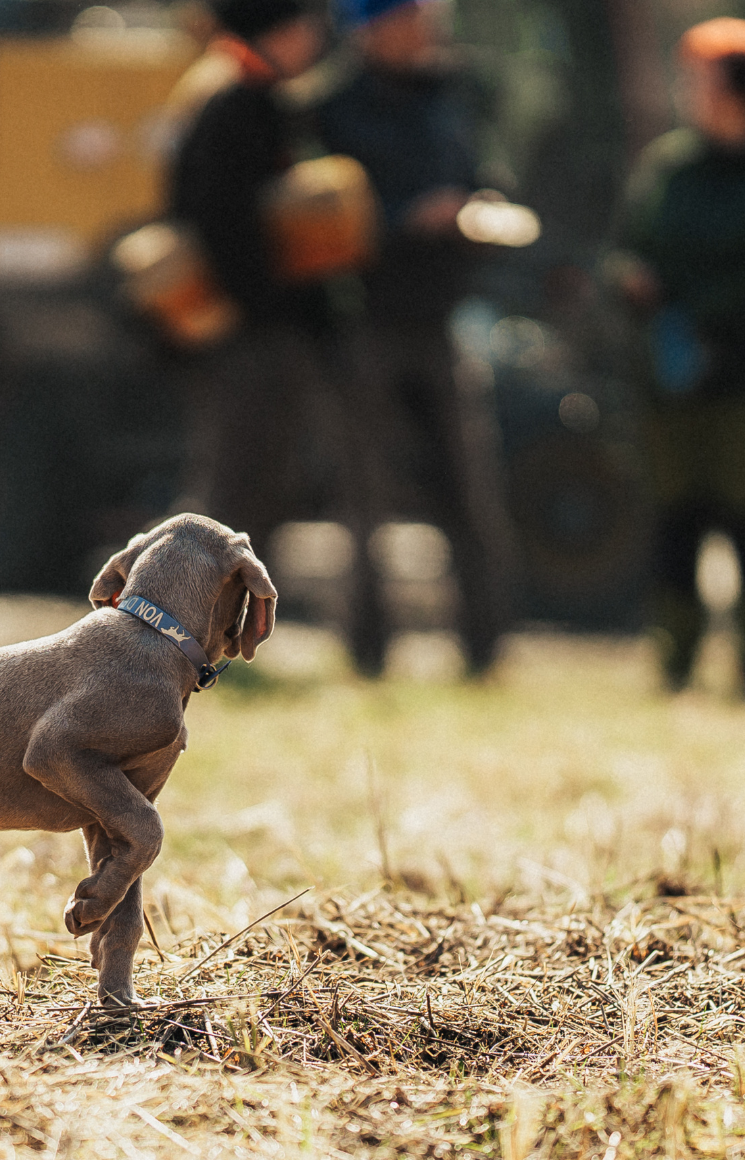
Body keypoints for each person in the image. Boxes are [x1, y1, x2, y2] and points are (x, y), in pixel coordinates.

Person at [315, 0, 516, 677]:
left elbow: (487, 173)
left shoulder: (454, 93)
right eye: (412, 16)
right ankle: (369, 650)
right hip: (366, 317)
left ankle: (486, 649)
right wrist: (405, 220)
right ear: (374, 27)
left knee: (469, 486)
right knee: (366, 495)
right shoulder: (328, 105)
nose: (428, 27)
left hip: (441, 315)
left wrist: (479, 207)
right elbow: (319, 211)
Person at [610, 18, 745, 694]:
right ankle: (675, 663)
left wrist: (703, 309)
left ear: (741, 89)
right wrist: (628, 280)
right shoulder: (670, 167)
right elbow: (625, 247)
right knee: (676, 524)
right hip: (672, 383)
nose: (688, 92)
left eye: (699, 79)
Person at [168, 0, 333, 567]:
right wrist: (268, 304)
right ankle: (184, 622)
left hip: (255, 322)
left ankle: (222, 629)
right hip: (248, 330)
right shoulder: (236, 104)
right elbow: (218, 223)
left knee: (256, 482)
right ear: (279, 32)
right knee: (236, 488)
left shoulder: (251, 97)